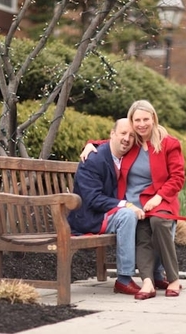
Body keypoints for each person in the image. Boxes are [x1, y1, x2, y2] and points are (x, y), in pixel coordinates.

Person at [81, 100, 185, 300]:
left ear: (153, 118)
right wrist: (90, 145)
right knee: (143, 230)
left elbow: (177, 177)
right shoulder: (134, 142)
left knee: (158, 223)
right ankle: (147, 281)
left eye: (146, 119)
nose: (141, 124)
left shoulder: (169, 143)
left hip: (161, 200)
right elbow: (111, 142)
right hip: (134, 203)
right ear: (132, 121)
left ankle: (173, 278)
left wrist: (158, 197)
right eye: (137, 120)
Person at [68, 118, 145, 295]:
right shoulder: (93, 160)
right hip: (90, 217)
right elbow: (93, 199)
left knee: (150, 217)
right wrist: (126, 205)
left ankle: (154, 274)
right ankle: (124, 279)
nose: (127, 139)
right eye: (123, 133)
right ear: (112, 134)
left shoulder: (126, 156)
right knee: (127, 215)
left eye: (132, 136)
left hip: (109, 212)